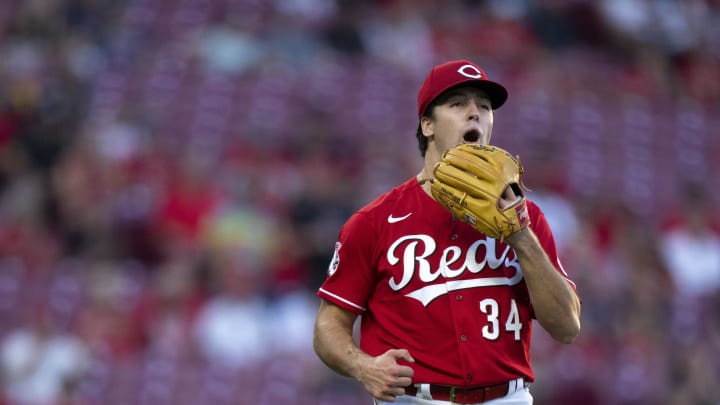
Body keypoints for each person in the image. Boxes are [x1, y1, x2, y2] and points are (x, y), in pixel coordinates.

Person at [312, 59, 581, 405]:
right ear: (427, 125)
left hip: (506, 398)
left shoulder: (526, 217)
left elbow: (567, 327)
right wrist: (364, 366)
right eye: (458, 104)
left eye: (484, 107)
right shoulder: (374, 222)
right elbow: (327, 327)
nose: (475, 114)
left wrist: (522, 238)